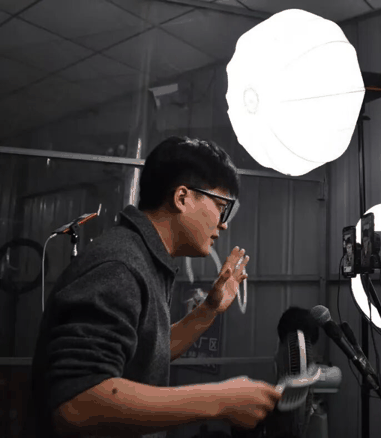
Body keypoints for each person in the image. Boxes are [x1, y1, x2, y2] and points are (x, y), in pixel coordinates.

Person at [31, 136, 283, 438]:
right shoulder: (121, 264)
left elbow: (148, 352)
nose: (224, 223)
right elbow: (77, 402)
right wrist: (220, 401)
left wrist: (208, 310)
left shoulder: (143, 258)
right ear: (182, 198)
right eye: (221, 207)